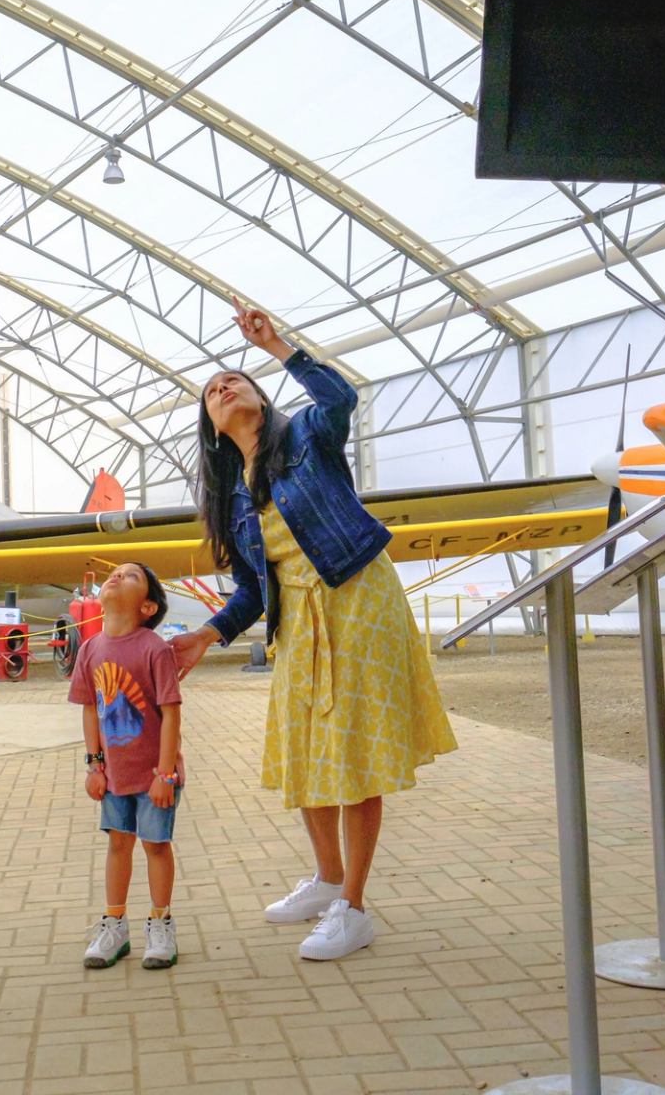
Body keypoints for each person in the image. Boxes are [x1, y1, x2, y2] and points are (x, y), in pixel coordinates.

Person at [169, 301, 457, 961]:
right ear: (211, 427)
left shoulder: (305, 438)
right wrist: (204, 636)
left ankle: (354, 907)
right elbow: (250, 590)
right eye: (212, 391)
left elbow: (342, 397)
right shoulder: (233, 500)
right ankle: (327, 880)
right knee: (307, 752)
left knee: (352, 755)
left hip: (357, 599)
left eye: (234, 379)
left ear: (262, 398)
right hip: (298, 621)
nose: (223, 385)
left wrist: (278, 347)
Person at [71, 561, 184, 971]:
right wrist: (94, 765)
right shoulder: (90, 649)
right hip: (114, 774)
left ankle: (160, 922)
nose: (117, 576)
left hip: (155, 775)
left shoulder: (154, 648)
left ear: (148, 607)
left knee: (156, 845)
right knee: (118, 843)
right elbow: (89, 710)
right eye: (114, 573)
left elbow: (170, 713)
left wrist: (165, 774)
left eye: (131, 576)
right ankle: (114, 923)